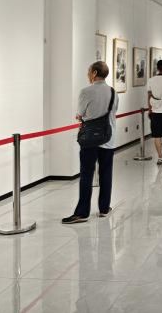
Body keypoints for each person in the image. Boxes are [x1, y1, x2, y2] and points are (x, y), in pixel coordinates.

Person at [63, 61, 119, 224]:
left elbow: (80, 114)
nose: (88, 74)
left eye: (89, 71)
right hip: (108, 138)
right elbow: (113, 112)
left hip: (90, 139)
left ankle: (82, 212)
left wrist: (83, 116)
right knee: (106, 173)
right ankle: (104, 208)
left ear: (94, 73)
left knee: (86, 174)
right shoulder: (113, 92)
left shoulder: (86, 91)